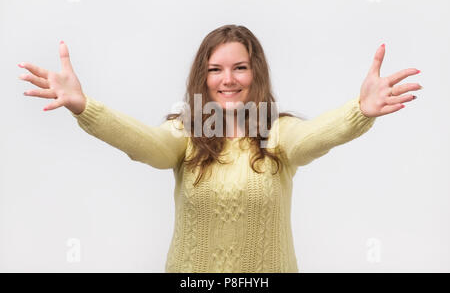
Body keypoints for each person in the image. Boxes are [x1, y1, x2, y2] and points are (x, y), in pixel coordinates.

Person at [17, 25, 422, 272]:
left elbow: (316, 135)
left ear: (255, 72)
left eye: (240, 67)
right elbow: (144, 144)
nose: (228, 79)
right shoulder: (186, 134)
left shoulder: (278, 133)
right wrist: (86, 107)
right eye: (215, 69)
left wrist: (359, 110)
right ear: (203, 77)